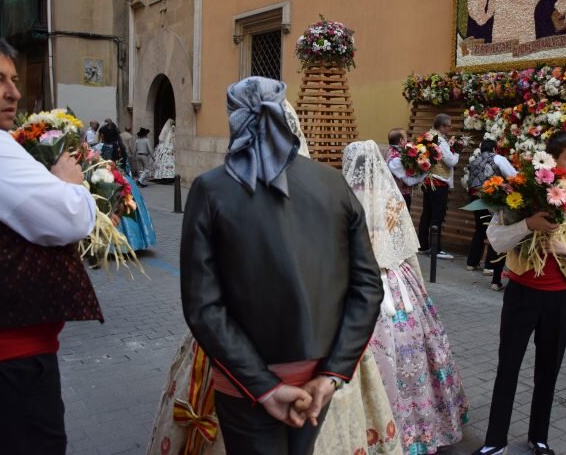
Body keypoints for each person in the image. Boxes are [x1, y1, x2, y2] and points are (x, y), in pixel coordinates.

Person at [148, 101, 401, 455]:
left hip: (245, 378)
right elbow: (368, 288)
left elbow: (203, 306)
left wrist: (264, 386)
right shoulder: (332, 182)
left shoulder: (210, 188)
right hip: (318, 374)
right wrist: (332, 375)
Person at [0, 30, 103, 454]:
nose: (12, 92)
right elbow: (68, 217)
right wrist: (68, 184)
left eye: (12, 79)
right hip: (4, 363)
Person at [475, 131, 566, 455]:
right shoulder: (520, 195)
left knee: (548, 370)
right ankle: (495, 441)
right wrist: (528, 225)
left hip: (558, 300)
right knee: (508, 366)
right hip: (521, 293)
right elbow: (495, 238)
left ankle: (539, 437)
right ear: (552, 160)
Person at [343, 140, 469, 454]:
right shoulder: (390, 198)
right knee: (411, 352)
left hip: (357, 284)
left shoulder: (341, 201)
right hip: (398, 286)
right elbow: (408, 250)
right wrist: (421, 289)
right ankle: (419, 426)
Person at [465, 139, 517, 290]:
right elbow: (513, 175)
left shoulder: (475, 160)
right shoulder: (498, 158)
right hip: (490, 197)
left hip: (474, 196)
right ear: (495, 148)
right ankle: (489, 265)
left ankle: (471, 262)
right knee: (493, 228)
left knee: (479, 228)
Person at [417, 113, 460, 260]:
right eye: (449, 126)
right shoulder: (440, 140)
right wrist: (457, 150)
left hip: (427, 180)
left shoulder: (427, 135)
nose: (450, 128)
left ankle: (423, 246)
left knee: (426, 215)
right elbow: (451, 161)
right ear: (441, 126)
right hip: (439, 182)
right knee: (437, 216)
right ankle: (436, 249)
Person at [384, 127, 426, 210]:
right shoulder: (395, 159)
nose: (408, 140)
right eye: (406, 137)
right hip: (398, 198)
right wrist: (425, 172)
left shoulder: (399, 151)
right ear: (401, 141)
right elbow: (409, 181)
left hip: (401, 195)